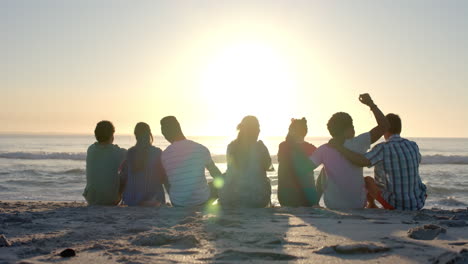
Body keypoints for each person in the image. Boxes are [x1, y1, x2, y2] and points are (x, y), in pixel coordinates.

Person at [329, 114, 427, 210]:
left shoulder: (383, 148)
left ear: (385, 130)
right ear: (399, 129)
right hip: (418, 202)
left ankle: (371, 204)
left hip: (396, 205)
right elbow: (417, 161)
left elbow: (360, 161)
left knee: (367, 180)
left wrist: (340, 148)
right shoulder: (413, 145)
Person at [309, 93, 390, 209]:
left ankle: (315, 203)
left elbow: (306, 168)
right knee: (365, 180)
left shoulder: (324, 149)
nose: (354, 129)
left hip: (332, 205)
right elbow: (384, 126)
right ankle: (371, 204)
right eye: (352, 126)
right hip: (357, 204)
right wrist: (371, 104)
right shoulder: (358, 142)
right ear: (347, 129)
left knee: (324, 170)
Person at [160, 116, 223, 207]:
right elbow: (215, 173)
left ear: (166, 134)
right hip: (202, 201)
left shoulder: (164, 155)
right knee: (222, 178)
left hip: (177, 203)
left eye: (164, 134)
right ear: (179, 128)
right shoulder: (201, 149)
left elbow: (165, 180)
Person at [219, 116, 273, 208]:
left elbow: (231, 172)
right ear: (254, 130)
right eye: (258, 127)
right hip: (259, 200)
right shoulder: (260, 147)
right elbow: (269, 167)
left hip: (233, 199)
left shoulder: (231, 147)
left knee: (221, 179)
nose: (259, 130)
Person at [120, 122, 167, 206]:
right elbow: (163, 177)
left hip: (131, 200)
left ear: (136, 135)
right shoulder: (157, 152)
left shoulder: (130, 152)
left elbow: (123, 177)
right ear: (149, 134)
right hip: (153, 200)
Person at [277, 118, 318, 207]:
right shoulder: (312, 148)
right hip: (307, 200)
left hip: (285, 199)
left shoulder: (283, 146)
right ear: (305, 132)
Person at [83, 120, 126, 206]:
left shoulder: (91, 149)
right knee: (126, 171)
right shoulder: (120, 152)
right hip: (111, 199)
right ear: (111, 135)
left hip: (91, 198)